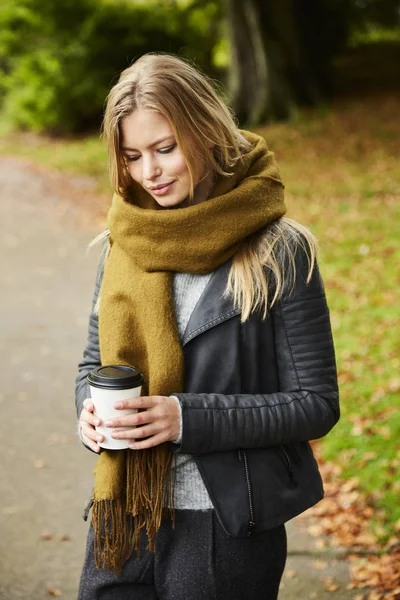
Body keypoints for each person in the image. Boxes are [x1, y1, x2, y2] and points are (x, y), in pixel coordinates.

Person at [75, 52, 339, 600]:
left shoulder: (279, 249)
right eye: (131, 156)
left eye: (165, 149)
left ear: (204, 132)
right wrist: (89, 415)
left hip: (224, 522)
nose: (149, 172)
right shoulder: (124, 241)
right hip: (123, 513)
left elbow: (316, 402)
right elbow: (91, 364)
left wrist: (184, 418)